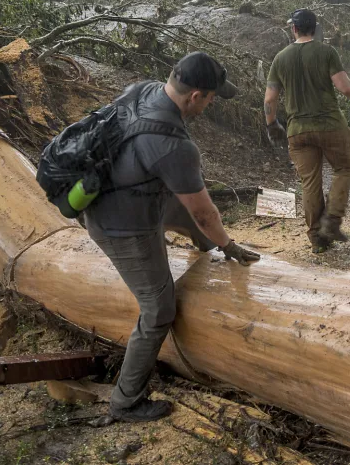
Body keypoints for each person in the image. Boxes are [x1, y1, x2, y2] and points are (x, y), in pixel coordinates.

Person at [83, 51, 260, 423]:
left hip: (128, 196)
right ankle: (125, 401)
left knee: (186, 210)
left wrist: (210, 237)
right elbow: (203, 212)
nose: (211, 104)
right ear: (196, 95)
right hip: (122, 227)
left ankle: (207, 245)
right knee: (159, 309)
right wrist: (228, 243)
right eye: (211, 98)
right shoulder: (175, 146)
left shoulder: (143, 90)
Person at [263, 9, 350, 254]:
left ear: (294, 29)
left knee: (309, 181)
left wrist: (272, 124)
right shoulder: (326, 52)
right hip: (330, 125)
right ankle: (332, 222)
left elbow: (270, 98)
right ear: (315, 28)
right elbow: (345, 88)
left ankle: (316, 239)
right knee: (344, 168)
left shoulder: (280, 58)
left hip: (297, 130)